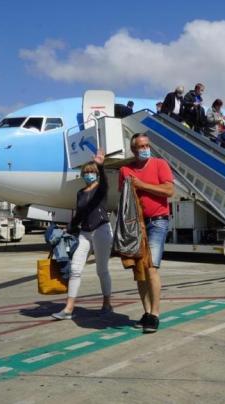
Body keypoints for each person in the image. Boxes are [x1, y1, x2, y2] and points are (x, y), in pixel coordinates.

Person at [119, 133, 174, 334]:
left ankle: (155, 314)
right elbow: (124, 199)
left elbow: (169, 191)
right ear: (133, 149)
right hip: (135, 225)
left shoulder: (160, 164)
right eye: (140, 146)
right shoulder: (125, 170)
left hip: (157, 221)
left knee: (151, 267)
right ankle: (147, 311)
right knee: (139, 270)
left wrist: (142, 186)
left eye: (146, 145)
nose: (144, 149)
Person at [53, 151, 113, 320]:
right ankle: (68, 308)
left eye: (92, 172)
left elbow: (105, 181)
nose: (88, 174)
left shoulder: (101, 189)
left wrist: (100, 165)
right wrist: (68, 228)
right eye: (86, 172)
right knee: (75, 269)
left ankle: (107, 303)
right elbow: (79, 215)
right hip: (85, 233)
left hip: (101, 229)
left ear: (96, 173)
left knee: (102, 270)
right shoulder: (80, 193)